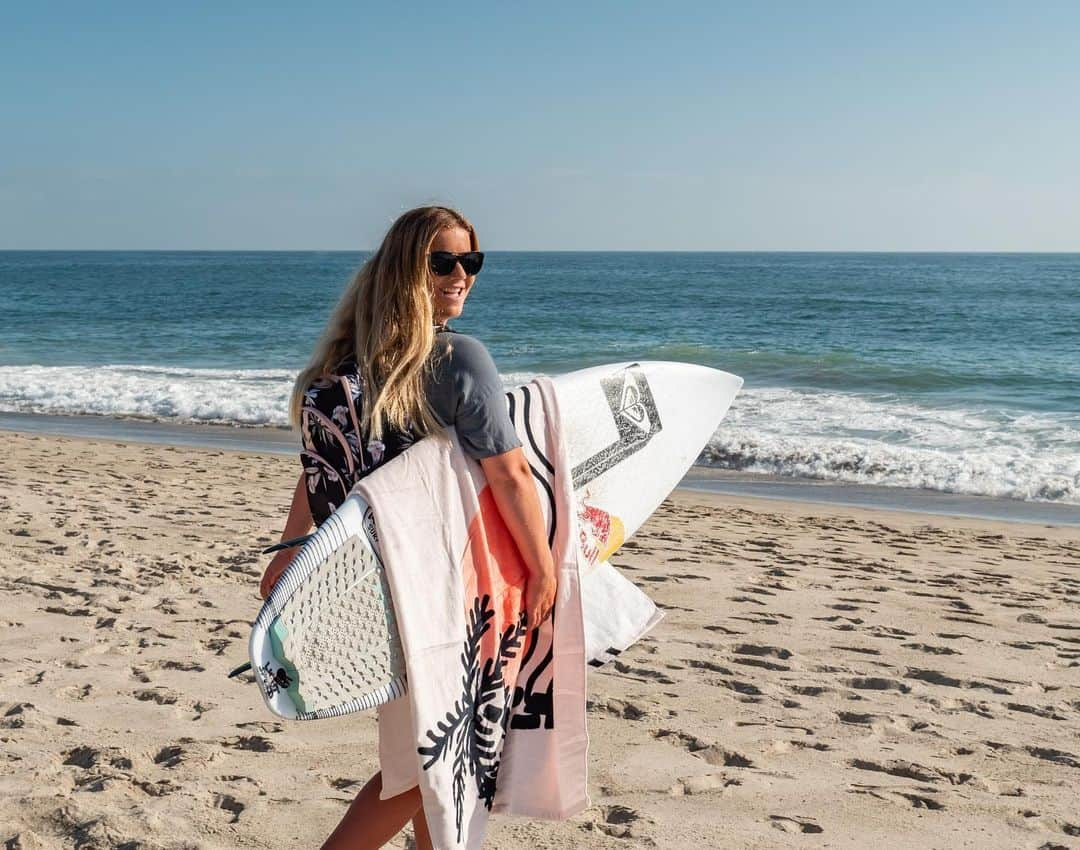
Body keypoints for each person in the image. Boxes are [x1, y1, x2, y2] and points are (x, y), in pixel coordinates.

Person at [257, 205, 557, 850]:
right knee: (426, 759)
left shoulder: (338, 369)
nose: (461, 275)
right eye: (442, 261)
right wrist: (542, 568)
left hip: (365, 593)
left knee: (423, 753)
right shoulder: (458, 359)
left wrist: (290, 552)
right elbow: (509, 476)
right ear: (404, 270)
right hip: (439, 591)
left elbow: (324, 468)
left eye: (470, 261)